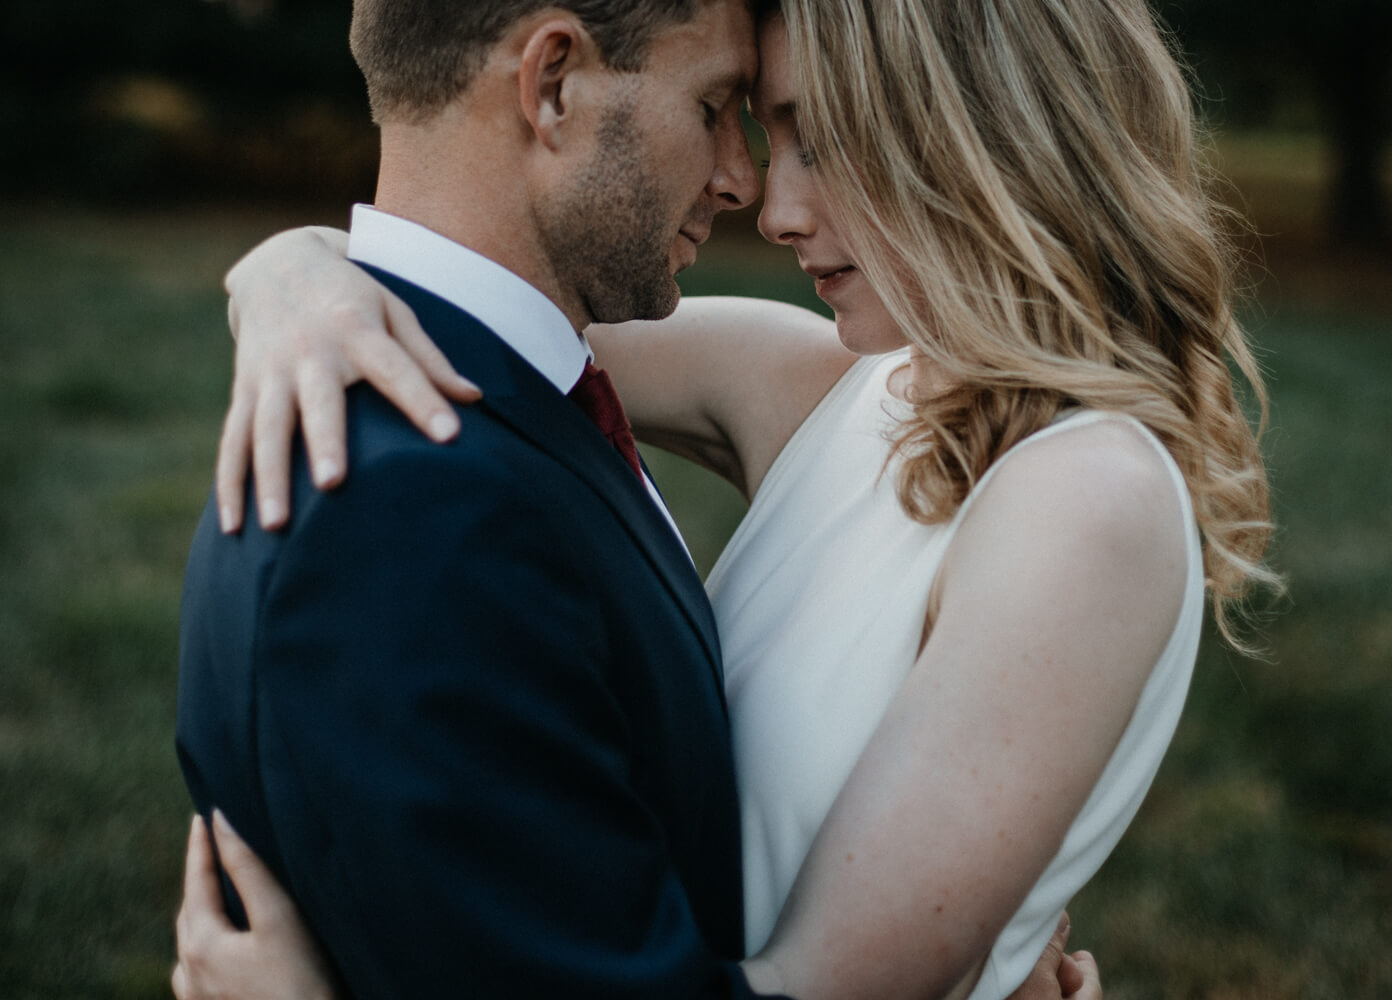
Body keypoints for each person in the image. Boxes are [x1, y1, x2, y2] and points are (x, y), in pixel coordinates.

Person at [179, 0, 1277, 996]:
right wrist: (287, 278)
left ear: (983, 136)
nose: (772, 200)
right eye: (742, 118)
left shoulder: (1086, 498)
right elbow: (488, 312)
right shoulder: (836, 392)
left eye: (821, 140)